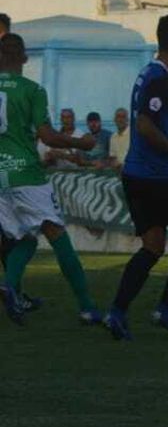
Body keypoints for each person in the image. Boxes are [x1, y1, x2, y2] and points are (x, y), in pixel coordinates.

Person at [105, 13, 168, 342]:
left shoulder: (147, 73)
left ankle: (117, 312)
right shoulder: (161, 78)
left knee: (153, 246)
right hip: (158, 177)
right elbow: (146, 124)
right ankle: (166, 308)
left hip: (136, 175)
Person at [0, 33, 103, 325]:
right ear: (23, 58)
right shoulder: (31, 89)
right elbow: (46, 135)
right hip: (26, 175)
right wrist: (82, 144)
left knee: (24, 239)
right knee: (57, 235)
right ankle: (87, 307)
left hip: (0, 178)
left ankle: (9, 285)